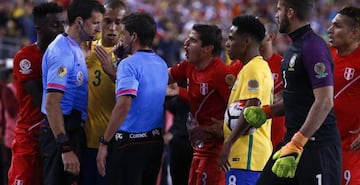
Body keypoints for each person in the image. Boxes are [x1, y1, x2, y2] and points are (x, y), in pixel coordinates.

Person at [244, 0, 342, 184]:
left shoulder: (313, 47)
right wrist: (268, 112)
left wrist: (298, 142)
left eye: (279, 9)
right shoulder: (294, 47)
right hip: (292, 142)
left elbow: (325, 101)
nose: (276, 14)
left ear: (290, 12)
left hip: (316, 146)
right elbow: (298, 98)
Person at [96, 12, 168, 185]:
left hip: (129, 144)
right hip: (155, 142)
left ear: (133, 36)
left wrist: (104, 142)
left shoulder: (128, 64)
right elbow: (143, 93)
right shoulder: (161, 63)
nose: (121, 39)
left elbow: (124, 104)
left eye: (124, 34)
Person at [39, 1, 104, 185]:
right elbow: (52, 103)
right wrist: (65, 147)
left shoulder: (75, 49)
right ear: (79, 21)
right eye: (96, 23)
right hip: (61, 134)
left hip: (73, 130)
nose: (99, 29)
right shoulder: (62, 52)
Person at [168, 24, 235, 185]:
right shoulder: (188, 66)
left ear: (207, 48)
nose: (185, 43)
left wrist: (223, 128)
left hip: (216, 153)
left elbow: (238, 112)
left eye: (192, 40)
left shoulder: (221, 73)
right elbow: (161, 76)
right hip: (199, 148)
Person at [8, 3, 65, 185]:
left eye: (63, 24)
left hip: (54, 137)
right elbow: (43, 101)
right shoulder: (26, 57)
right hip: (30, 138)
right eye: (55, 25)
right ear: (38, 28)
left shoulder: (65, 55)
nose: (61, 30)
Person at [217, 15, 273, 185]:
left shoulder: (253, 68)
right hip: (251, 158)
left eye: (231, 38)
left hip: (247, 156)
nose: (227, 44)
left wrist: (229, 142)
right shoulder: (253, 67)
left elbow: (252, 106)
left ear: (247, 41)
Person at [83, 0, 127, 184]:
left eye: (118, 22)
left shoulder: (131, 56)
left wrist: (113, 72)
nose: (112, 27)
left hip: (120, 144)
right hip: (89, 141)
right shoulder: (86, 50)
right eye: (107, 21)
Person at [328, 6, 360, 185]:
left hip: (351, 148)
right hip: (322, 144)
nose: (329, 30)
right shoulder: (325, 55)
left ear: (354, 33)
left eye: (337, 26)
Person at [258, 15, 286, 148]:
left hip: (277, 138)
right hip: (250, 137)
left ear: (270, 37)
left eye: (258, 32)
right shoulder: (240, 66)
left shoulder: (284, 65)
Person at [0, 67, 17, 185]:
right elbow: (10, 111)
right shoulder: (8, 89)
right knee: (9, 167)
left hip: (15, 134)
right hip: (11, 134)